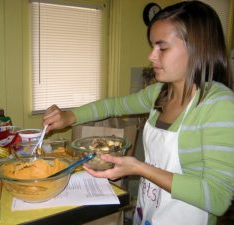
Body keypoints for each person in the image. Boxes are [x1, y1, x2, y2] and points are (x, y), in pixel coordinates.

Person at [42, 1, 234, 225]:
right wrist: (68, 117)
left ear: (197, 48)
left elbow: (218, 197)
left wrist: (139, 168)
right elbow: (112, 106)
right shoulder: (160, 94)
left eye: (162, 48)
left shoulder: (219, 106)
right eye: (152, 46)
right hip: (150, 213)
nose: (151, 56)